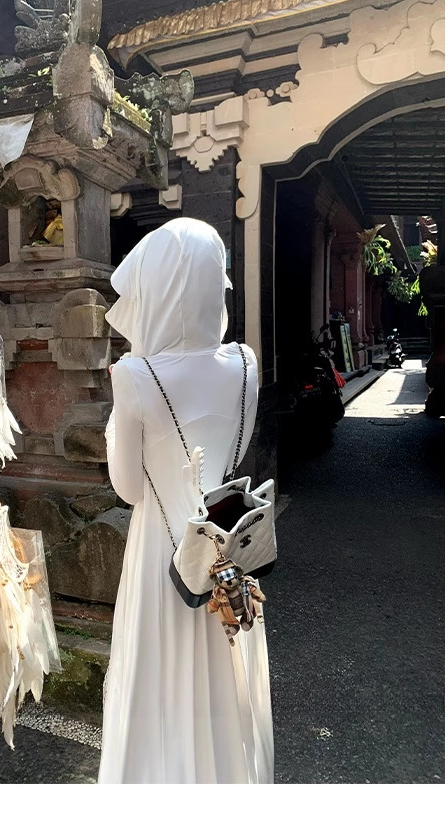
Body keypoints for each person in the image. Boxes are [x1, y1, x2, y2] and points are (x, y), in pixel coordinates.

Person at [97, 217, 274, 784]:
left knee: (157, 682)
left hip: (160, 551)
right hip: (222, 549)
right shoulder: (244, 363)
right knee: (226, 680)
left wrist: (118, 425)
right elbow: (235, 452)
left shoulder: (134, 374)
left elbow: (128, 489)